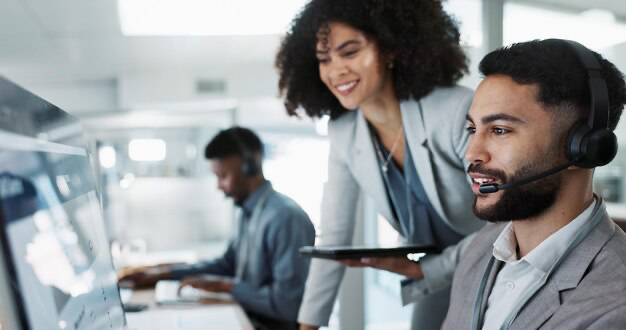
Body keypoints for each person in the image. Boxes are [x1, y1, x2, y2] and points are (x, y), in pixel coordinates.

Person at [275, 0, 484, 328]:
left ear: (390, 48)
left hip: (499, 261)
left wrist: (430, 270)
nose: (336, 70)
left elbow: (509, 220)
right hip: (435, 276)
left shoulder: (454, 111)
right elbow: (334, 236)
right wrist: (308, 325)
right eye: (324, 59)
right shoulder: (344, 132)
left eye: (350, 52)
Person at [443, 39, 626, 329]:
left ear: (583, 148)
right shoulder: (482, 247)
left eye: (500, 130)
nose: (472, 153)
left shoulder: (615, 304)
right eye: (472, 129)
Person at [119, 127, 316, 330]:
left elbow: (288, 305)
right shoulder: (249, 213)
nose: (218, 186)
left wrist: (226, 286)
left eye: (223, 176)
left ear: (251, 165)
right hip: (246, 318)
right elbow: (225, 265)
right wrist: (161, 274)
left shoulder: (284, 218)